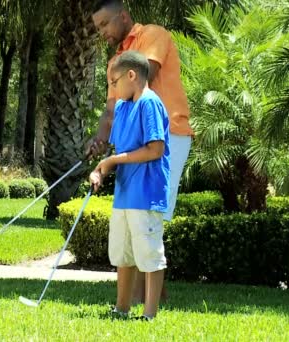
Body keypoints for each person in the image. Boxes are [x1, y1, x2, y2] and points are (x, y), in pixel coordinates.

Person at [88, 0, 193, 303]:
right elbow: (111, 110)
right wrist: (99, 139)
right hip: (136, 142)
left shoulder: (154, 35)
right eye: (98, 28)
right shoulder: (116, 62)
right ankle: (146, 300)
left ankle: (145, 302)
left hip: (168, 135)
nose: (102, 33)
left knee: (149, 214)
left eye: (105, 24)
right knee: (136, 214)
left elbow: (142, 78)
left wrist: (114, 151)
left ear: (123, 16)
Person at [89, 50, 169, 321]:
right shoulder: (123, 107)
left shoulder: (150, 103)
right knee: (123, 254)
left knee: (149, 254)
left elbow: (155, 149)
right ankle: (121, 308)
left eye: (114, 81)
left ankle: (149, 315)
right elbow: (118, 151)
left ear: (131, 75)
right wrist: (101, 169)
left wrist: (112, 160)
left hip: (146, 194)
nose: (112, 88)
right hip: (124, 195)